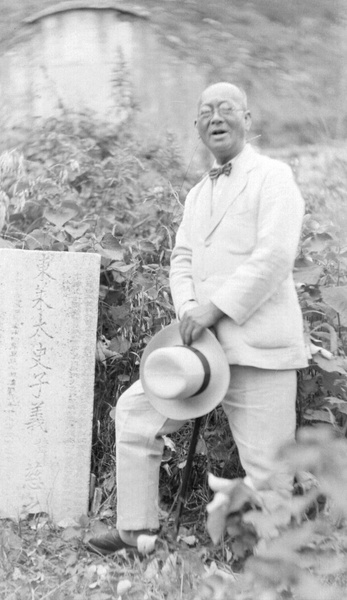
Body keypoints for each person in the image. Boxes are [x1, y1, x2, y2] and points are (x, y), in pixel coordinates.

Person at [88, 82, 308, 555]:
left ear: (248, 119)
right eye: (206, 111)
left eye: (226, 108)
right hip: (198, 354)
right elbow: (181, 258)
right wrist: (189, 309)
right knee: (134, 414)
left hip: (258, 345)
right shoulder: (196, 193)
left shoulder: (273, 177)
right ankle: (136, 531)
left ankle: (273, 564)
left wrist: (216, 307)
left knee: (269, 468)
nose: (216, 118)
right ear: (197, 127)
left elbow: (274, 256)